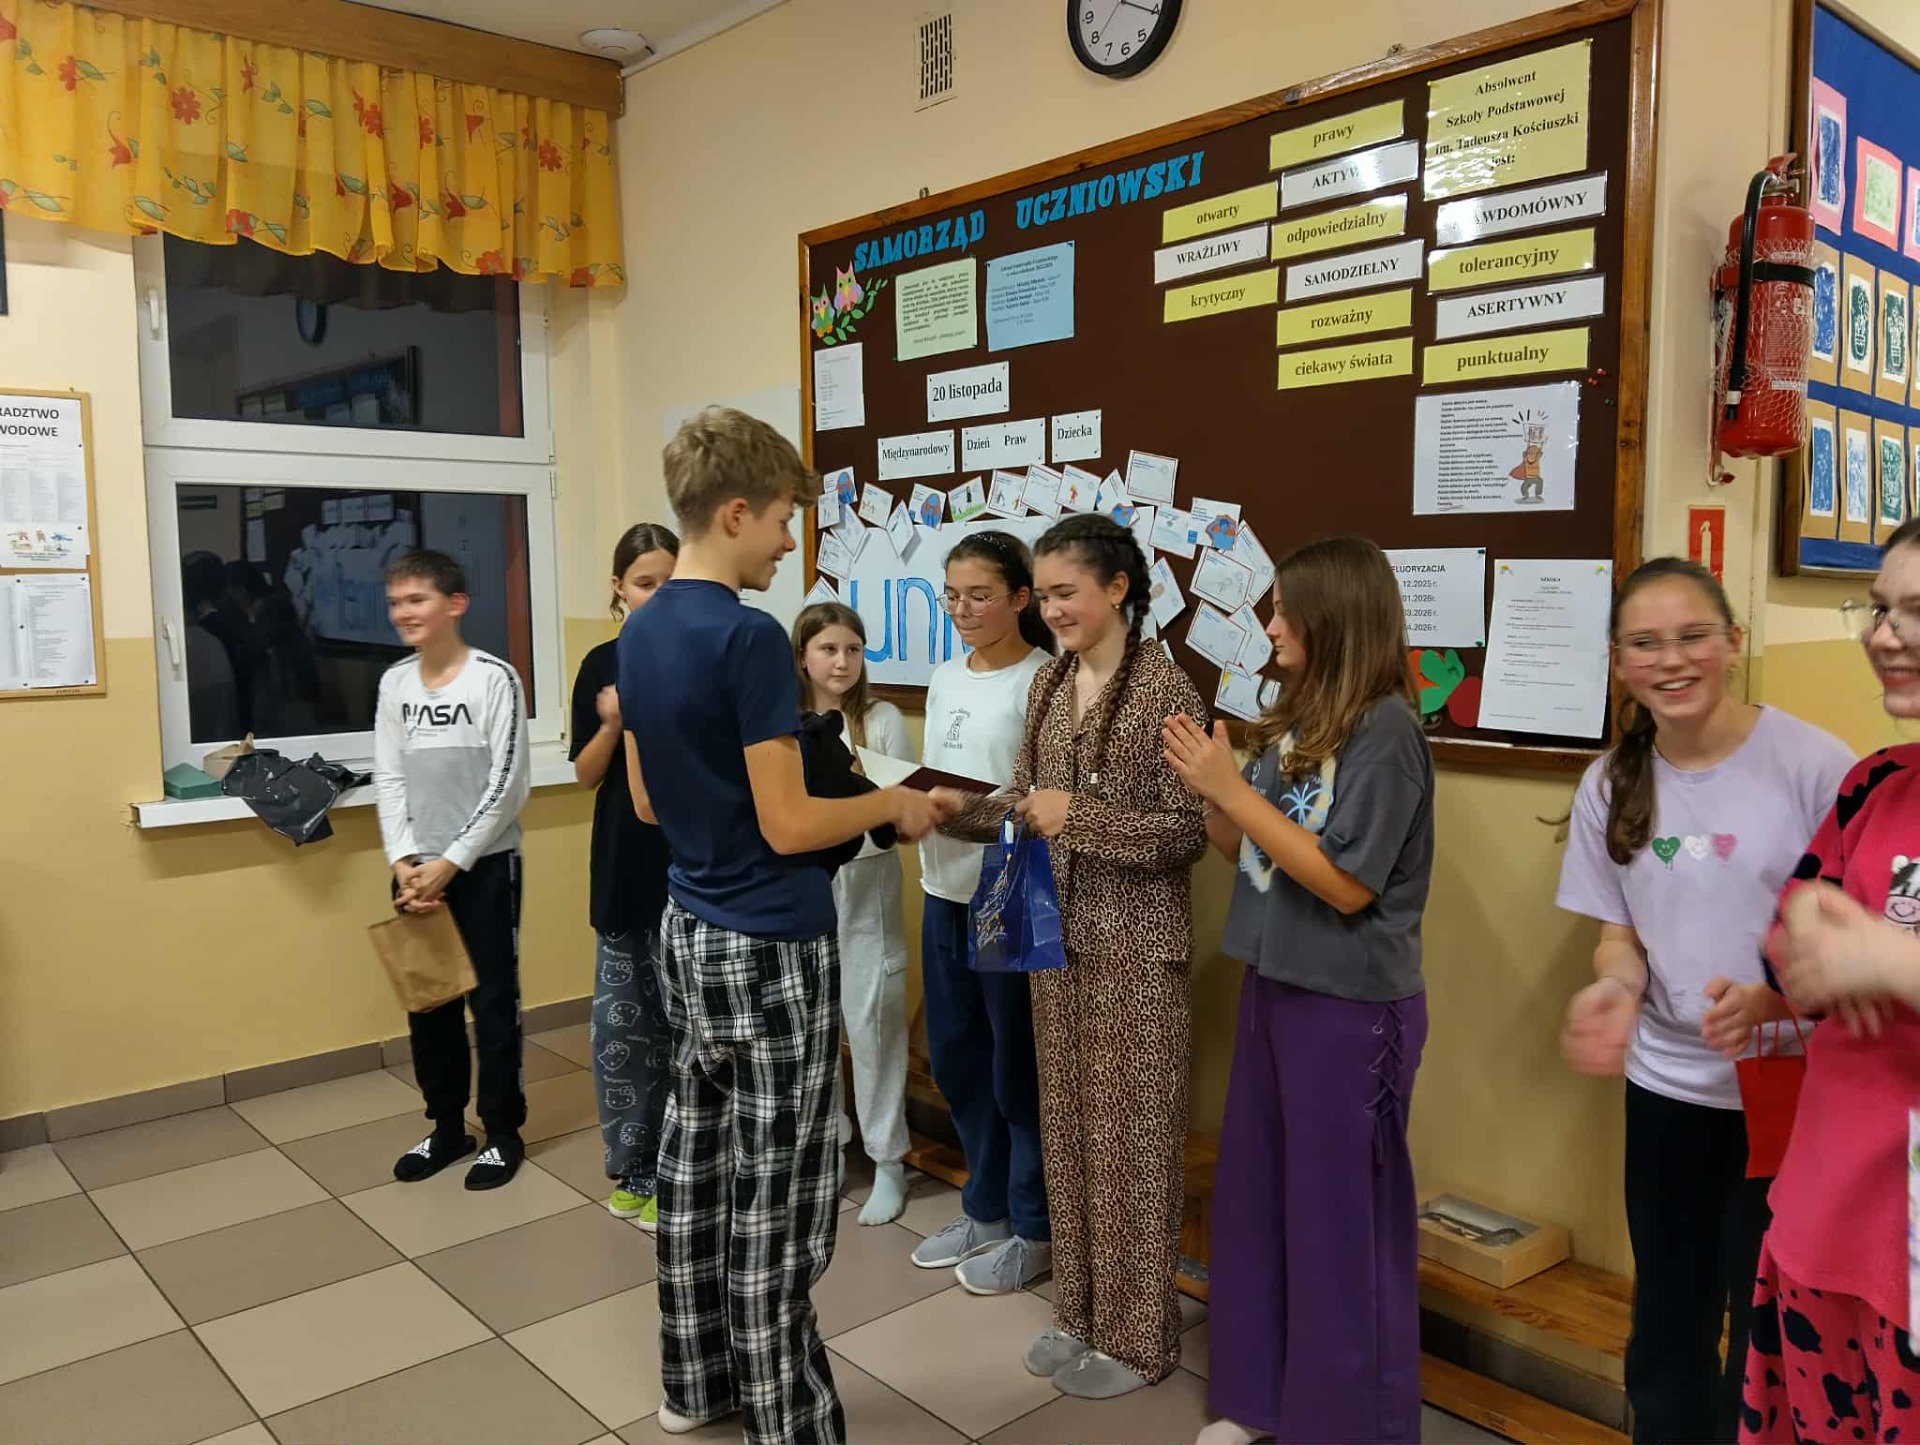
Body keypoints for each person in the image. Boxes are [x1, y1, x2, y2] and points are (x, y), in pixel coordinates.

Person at [619, 406, 950, 1445]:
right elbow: (791, 823)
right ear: (734, 512)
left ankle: (696, 1382)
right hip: (768, 944)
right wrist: (890, 805)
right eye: (780, 520)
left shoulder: (641, 626)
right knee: (780, 1192)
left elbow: (646, 801)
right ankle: (787, 1419)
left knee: (698, 1165)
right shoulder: (747, 635)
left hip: (689, 925)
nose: (787, 540)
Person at [1555, 558, 1853, 1445]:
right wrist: (1614, 988)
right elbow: (1619, 936)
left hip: (1792, 1093)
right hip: (1667, 1090)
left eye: (1693, 636)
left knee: (1768, 1323)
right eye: (1645, 643)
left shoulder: (1816, 765)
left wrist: (1777, 998)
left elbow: (1861, 938)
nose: (1671, 659)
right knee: (1668, 1317)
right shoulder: (1611, 782)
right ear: (1618, 661)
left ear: (1734, 641)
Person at [1163, 535, 1435, 1445]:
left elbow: (1347, 884)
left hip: (1349, 1009)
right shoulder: (1299, 718)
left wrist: (1235, 795)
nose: (1270, 624)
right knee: (1259, 1196)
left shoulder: (1387, 733)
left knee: (1337, 1218)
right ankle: (1260, 1398)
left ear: (1333, 618)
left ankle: (1345, 1421)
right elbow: (1250, 852)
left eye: (1284, 610)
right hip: (1274, 986)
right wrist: (1211, 794)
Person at [937, 513, 1208, 1400]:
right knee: (1068, 1132)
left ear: (1118, 588)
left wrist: (1078, 817)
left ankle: (1140, 1337)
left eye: (1065, 593)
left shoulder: (1166, 689)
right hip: (1057, 944)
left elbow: (1187, 833)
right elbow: (1026, 798)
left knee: (1133, 1144)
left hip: (1137, 952)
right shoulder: (1052, 682)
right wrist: (949, 809)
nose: (1051, 609)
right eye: (1045, 595)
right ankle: (1083, 1313)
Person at [1737, 517, 1920, 1444]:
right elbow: (1789, 939)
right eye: (1879, 609)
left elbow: (1873, 957)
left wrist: (1889, 960)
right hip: (1827, 1223)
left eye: (1916, 612)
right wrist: (1806, 927)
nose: (1884, 635)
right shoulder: (1874, 784)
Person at [911, 531, 1053, 1288]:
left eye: (980, 595)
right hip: (942, 885)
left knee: (1015, 1067)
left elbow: (1044, 799)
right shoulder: (943, 676)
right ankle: (986, 1208)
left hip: (1009, 886)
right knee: (958, 1058)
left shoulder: (1044, 681)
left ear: (1021, 598)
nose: (963, 609)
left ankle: (1034, 1226)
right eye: (952, 596)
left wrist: (964, 811)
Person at [372, 548, 531, 1190]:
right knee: (430, 1006)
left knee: (492, 1005)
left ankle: (502, 1132)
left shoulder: (494, 678)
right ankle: (445, 1128)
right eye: (395, 602)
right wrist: (404, 860)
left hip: (485, 868)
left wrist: (450, 862)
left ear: (455, 604)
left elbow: (508, 784)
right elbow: (389, 777)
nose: (403, 613)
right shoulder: (394, 684)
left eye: (417, 599)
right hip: (416, 871)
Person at [792, 600, 915, 1226]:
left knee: (873, 1023)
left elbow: (901, 808)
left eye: (854, 650)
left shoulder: (880, 718)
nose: (842, 662)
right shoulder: (784, 724)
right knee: (814, 1026)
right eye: (828, 649)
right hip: (810, 885)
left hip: (869, 884)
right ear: (802, 656)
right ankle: (831, 1146)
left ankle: (888, 1159)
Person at [572, 522, 679, 1225]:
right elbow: (585, 774)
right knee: (624, 1032)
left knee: (687, 1029)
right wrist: (614, 722)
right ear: (618, 588)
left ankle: (684, 1167)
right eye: (644, 583)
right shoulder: (601, 663)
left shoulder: (701, 656)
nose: (658, 595)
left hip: (691, 865)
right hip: (623, 864)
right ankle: (636, 1161)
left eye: (670, 582)